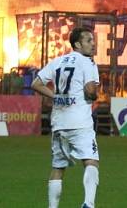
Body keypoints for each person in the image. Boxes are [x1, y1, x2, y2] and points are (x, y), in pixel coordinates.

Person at [31, 27, 100, 208]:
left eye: (93, 40)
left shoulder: (57, 61)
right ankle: (88, 204)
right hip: (80, 122)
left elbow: (36, 84)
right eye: (89, 41)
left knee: (58, 167)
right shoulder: (88, 63)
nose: (93, 44)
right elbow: (91, 91)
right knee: (91, 160)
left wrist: (55, 96)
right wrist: (93, 95)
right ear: (78, 44)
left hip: (59, 123)